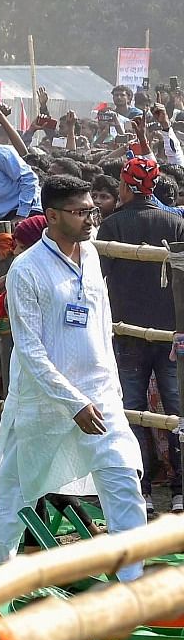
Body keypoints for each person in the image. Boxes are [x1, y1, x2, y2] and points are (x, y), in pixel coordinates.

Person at [0, 175, 146, 579]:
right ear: (52, 216)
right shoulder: (27, 270)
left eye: (92, 210)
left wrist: (108, 389)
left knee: (124, 481)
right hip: (43, 402)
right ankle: (2, 576)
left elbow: (100, 326)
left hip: (99, 396)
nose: (91, 218)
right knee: (18, 491)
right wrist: (72, 402)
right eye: (80, 211)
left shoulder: (91, 256)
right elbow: (31, 350)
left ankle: (132, 585)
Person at [97, 155, 184, 514]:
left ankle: (141, 490)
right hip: (172, 338)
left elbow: (96, 280)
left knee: (130, 413)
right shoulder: (176, 223)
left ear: (127, 187)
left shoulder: (112, 226)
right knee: (178, 412)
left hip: (127, 335)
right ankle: (180, 491)